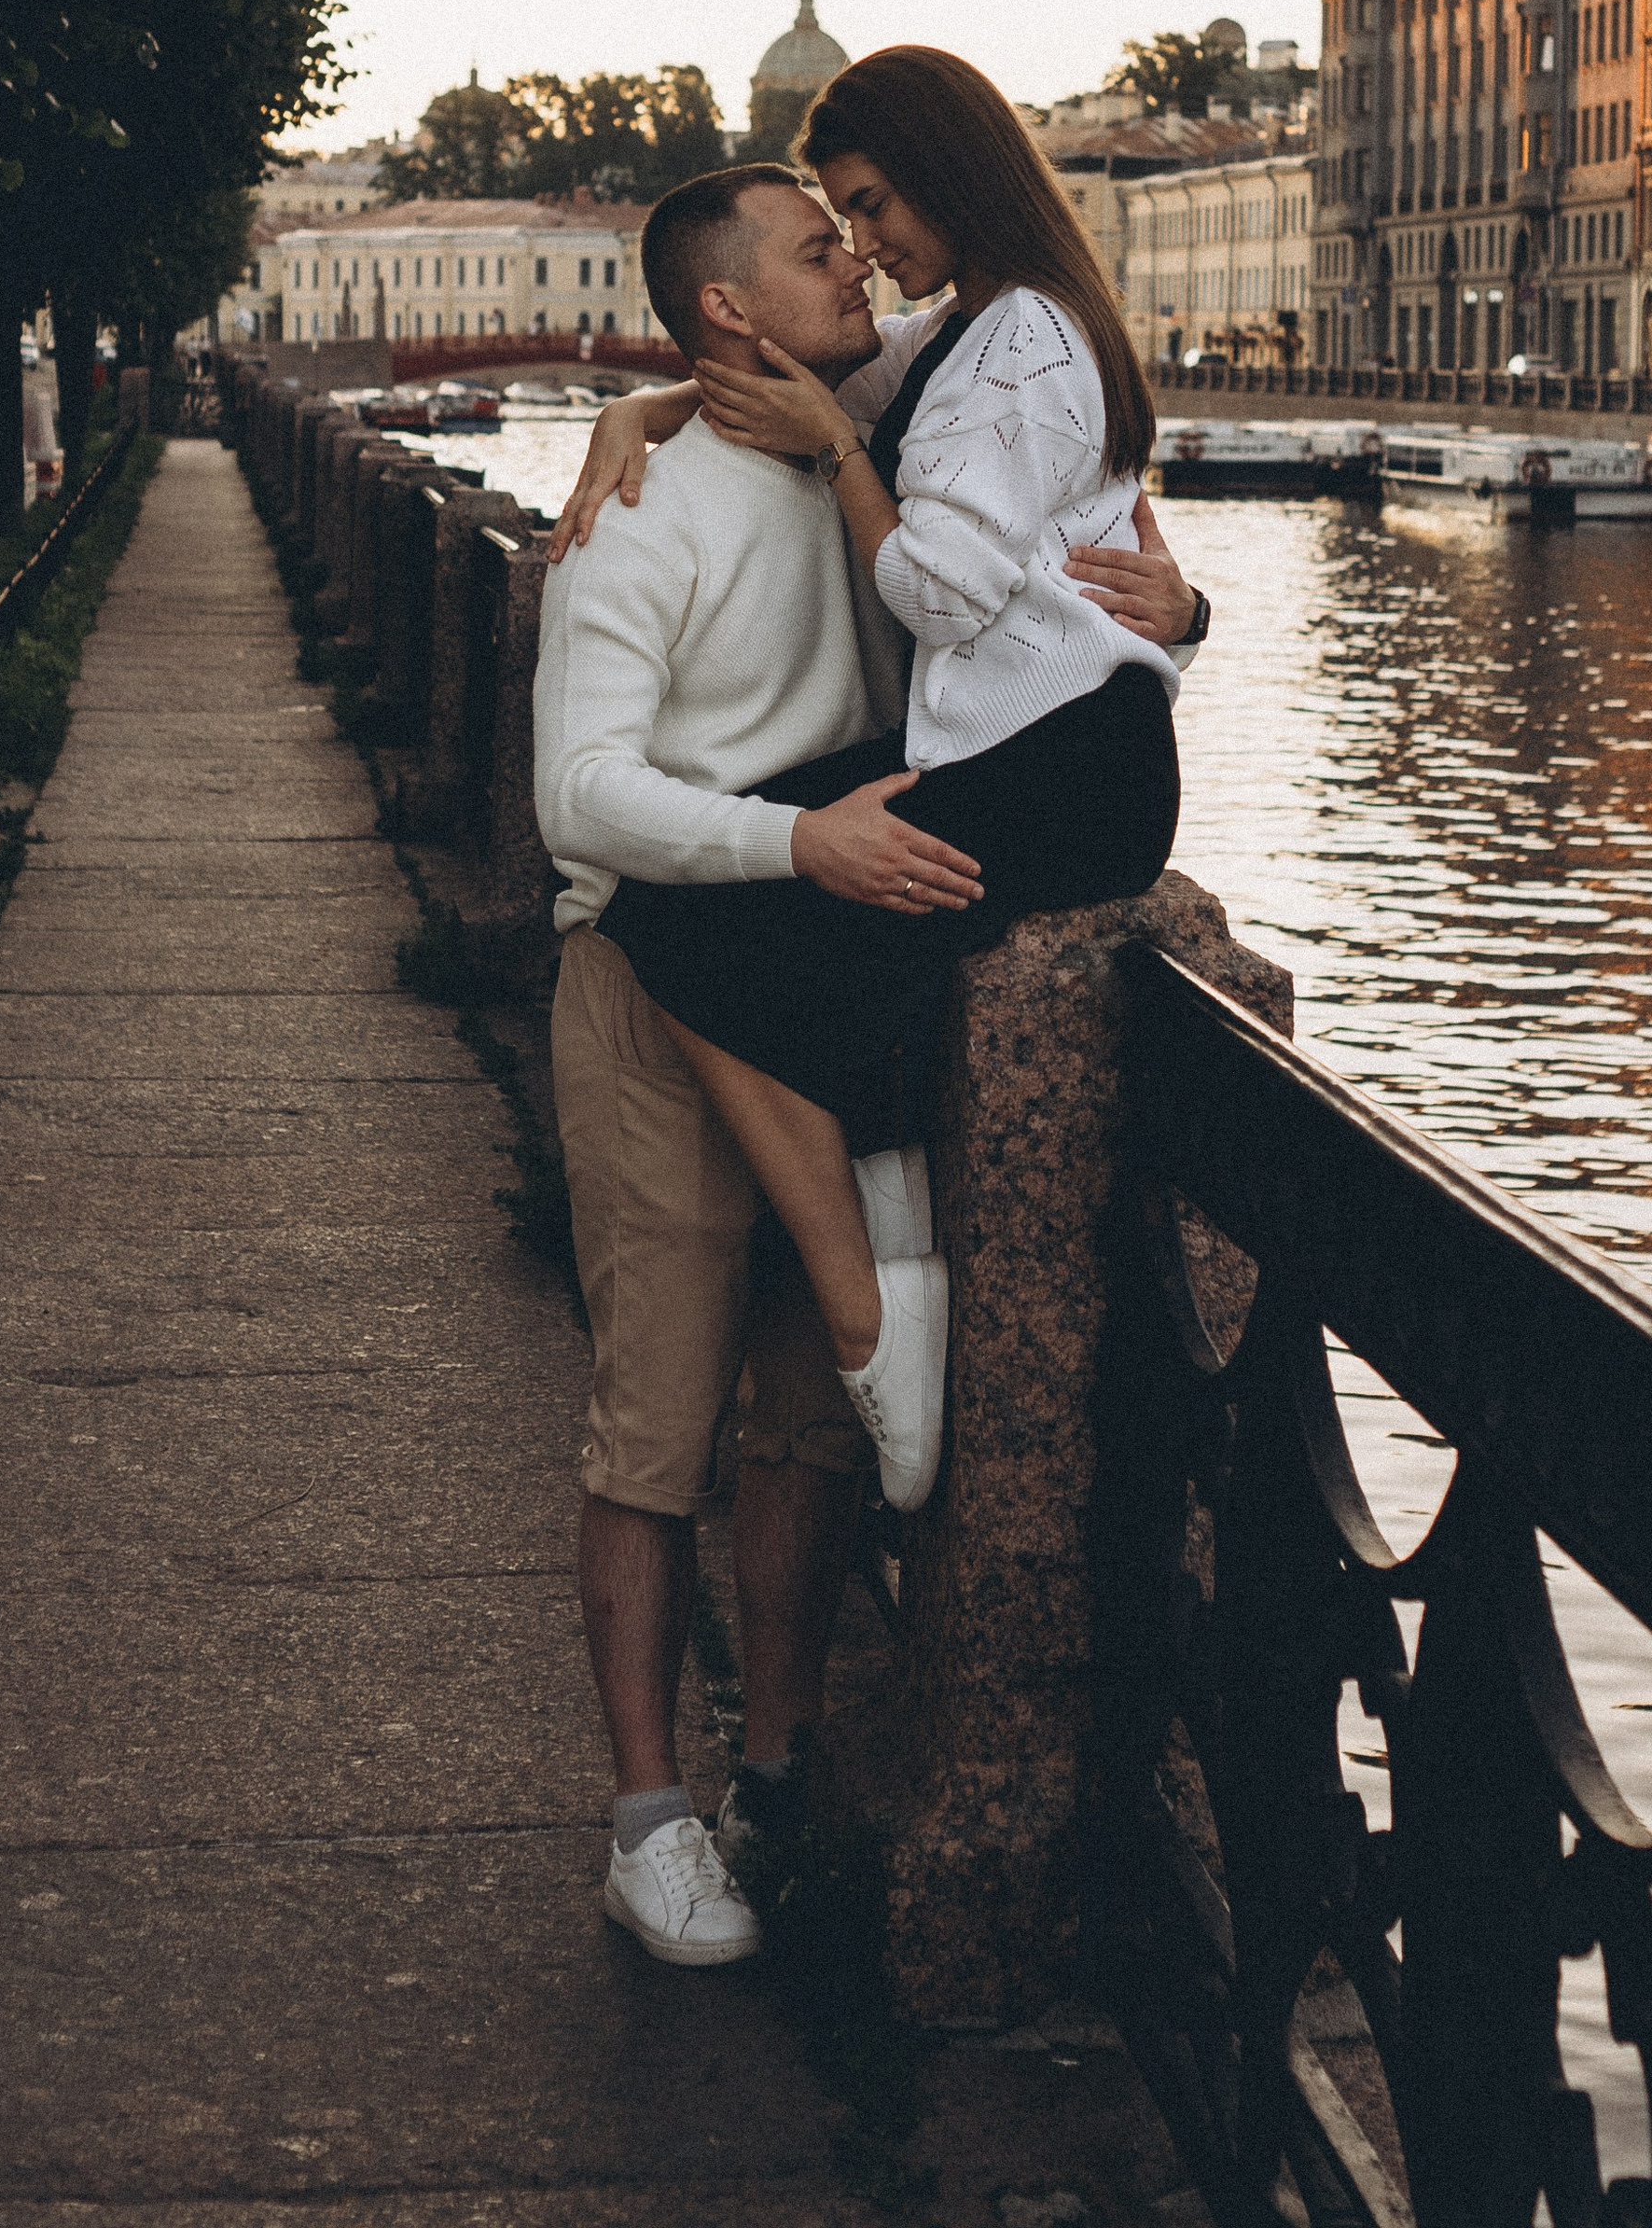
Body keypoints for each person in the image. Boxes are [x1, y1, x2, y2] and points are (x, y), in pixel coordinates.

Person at [532, 157, 1198, 1967]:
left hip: (833, 933)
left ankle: (787, 1769)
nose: (866, 265)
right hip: (681, 967)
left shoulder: (885, 413)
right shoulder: (642, 509)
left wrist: (1172, 603)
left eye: (858, 235)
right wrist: (792, 848)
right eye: (819, 248)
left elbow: (1038, 477)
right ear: (738, 305)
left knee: (809, 1427)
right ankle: (646, 1819)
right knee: (657, 1420)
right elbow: (573, 798)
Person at [549, 45, 1205, 1523]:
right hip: (1018, 747)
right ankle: (896, 1237)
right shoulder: (970, 329)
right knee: (766, 882)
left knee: (677, 925)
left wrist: (846, 455)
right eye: (836, 225)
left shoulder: (1028, 341)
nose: (866, 250)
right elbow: (777, 378)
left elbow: (941, 597)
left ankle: (868, 1314)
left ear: (948, 175)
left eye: (872, 206)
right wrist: (628, 418)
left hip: (1060, 772)